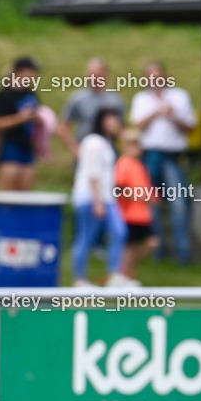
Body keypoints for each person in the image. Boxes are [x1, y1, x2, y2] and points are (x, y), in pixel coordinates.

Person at [130, 61, 197, 264]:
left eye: (158, 74)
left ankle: (183, 253)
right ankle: (157, 251)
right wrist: (156, 112)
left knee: (179, 203)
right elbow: (137, 124)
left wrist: (173, 115)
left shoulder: (179, 96)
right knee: (152, 204)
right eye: (150, 75)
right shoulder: (141, 99)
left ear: (165, 75)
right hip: (150, 156)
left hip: (172, 156)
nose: (155, 78)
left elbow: (191, 126)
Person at [71, 109, 129, 287]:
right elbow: (93, 173)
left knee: (119, 231)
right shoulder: (93, 142)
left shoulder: (107, 143)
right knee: (86, 237)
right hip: (91, 197)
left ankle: (115, 275)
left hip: (107, 197)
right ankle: (79, 279)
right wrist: (97, 201)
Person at [0, 57, 42, 190]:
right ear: (20, 71)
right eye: (31, 72)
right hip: (10, 148)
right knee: (8, 194)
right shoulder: (5, 94)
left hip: (28, 148)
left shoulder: (31, 93)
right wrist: (20, 118)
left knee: (25, 195)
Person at [115, 128, 159, 284]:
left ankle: (126, 273)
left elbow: (146, 188)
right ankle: (126, 276)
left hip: (143, 214)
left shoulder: (140, 166)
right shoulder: (124, 163)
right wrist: (137, 196)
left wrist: (153, 198)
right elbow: (119, 188)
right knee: (129, 247)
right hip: (129, 213)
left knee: (150, 243)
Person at [58, 58, 126, 157]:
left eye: (98, 75)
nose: (94, 78)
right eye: (91, 74)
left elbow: (123, 129)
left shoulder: (115, 100)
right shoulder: (78, 98)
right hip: (86, 152)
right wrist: (75, 149)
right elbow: (63, 126)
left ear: (106, 75)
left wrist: (115, 129)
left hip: (110, 152)